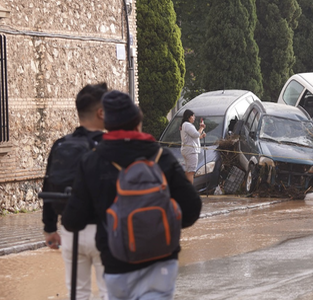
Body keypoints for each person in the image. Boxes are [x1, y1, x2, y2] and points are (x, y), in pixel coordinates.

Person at [62, 90, 202, 300]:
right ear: (138, 121)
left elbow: (73, 221)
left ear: (107, 124)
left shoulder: (92, 162)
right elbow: (192, 208)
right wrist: (157, 224)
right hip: (162, 261)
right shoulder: (161, 157)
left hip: (117, 263)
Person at [42, 83, 108, 300]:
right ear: (101, 112)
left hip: (71, 231)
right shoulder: (109, 146)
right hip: (105, 230)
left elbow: (48, 185)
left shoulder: (61, 144)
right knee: (110, 293)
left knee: (78, 294)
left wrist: (50, 228)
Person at [180, 109, 206, 183]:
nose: (194, 118)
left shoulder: (185, 125)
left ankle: (186, 189)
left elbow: (193, 138)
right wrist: (201, 128)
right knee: (191, 172)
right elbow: (196, 134)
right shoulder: (187, 125)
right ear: (189, 117)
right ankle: (190, 191)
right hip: (191, 151)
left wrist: (201, 137)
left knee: (188, 171)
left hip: (187, 150)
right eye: (193, 116)